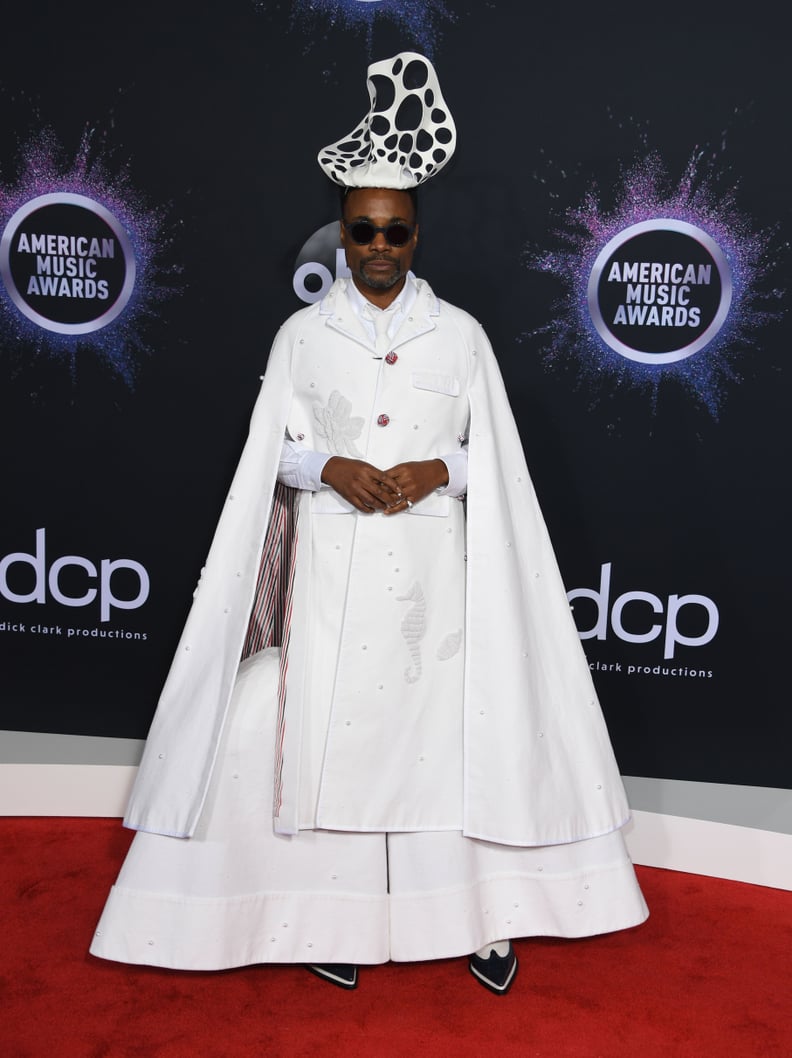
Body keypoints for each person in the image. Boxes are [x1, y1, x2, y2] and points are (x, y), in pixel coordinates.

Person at [90, 52, 647, 995]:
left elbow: (496, 466)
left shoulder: (461, 335)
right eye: (362, 232)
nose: (379, 246)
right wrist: (331, 468)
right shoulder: (300, 338)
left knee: (451, 743)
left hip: (438, 585)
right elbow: (274, 452)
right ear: (341, 236)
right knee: (322, 743)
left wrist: (437, 466)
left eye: (394, 230)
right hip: (332, 574)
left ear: (417, 233)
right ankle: (324, 914)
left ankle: (482, 918)